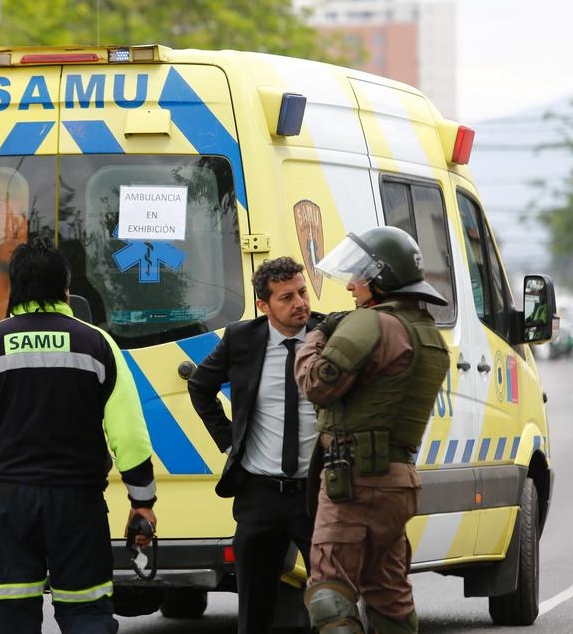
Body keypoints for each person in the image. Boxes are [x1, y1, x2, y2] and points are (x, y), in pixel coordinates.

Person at [0, 238, 157, 634]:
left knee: (13, 616)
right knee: (86, 613)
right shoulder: (96, 344)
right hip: (78, 504)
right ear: (65, 289)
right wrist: (142, 502)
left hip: (10, 506)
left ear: (14, 289)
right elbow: (130, 435)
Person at [294, 226, 450, 634]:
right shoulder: (428, 334)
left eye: (359, 277)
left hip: (354, 480)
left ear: (382, 279)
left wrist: (317, 336)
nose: (350, 286)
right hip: (398, 483)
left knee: (330, 592)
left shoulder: (371, 324)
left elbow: (316, 384)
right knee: (387, 593)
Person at [188, 256, 324, 634]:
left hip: (316, 494)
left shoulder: (328, 335)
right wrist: (229, 439)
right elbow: (200, 385)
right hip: (260, 493)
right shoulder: (242, 339)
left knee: (334, 601)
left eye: (302, 292)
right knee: (254, 608)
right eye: (286, 298)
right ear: (264, 306)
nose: (299, 303)